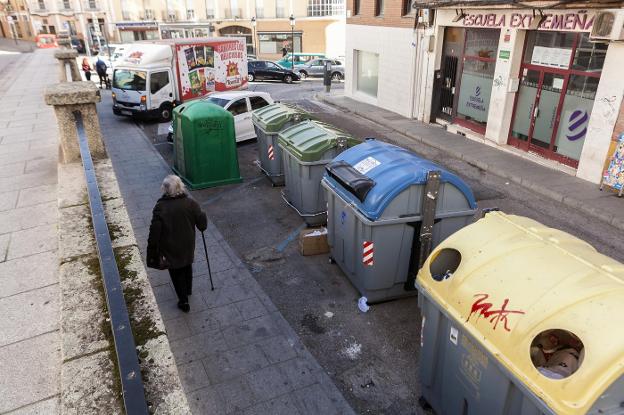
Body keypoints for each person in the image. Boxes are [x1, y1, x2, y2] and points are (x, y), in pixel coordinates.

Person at [147, 175, 207, 313]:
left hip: (170, 246)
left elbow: (154, 232)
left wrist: (152, 248)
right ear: (180, 187)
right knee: (187, 263)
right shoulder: (191, 203)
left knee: (176, 270)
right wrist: (202, 217)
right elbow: (202, 225)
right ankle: (188, 289)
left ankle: (183, 300)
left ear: (165, 189)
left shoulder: (160, 207)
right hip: (188, 242)